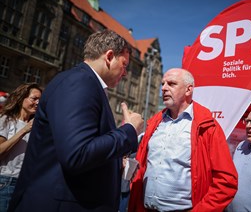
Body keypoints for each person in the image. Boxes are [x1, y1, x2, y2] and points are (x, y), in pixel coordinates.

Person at [8, 30, 144, 212]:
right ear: (109, 56)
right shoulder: (79, 83)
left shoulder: (86, 84)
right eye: (124, 64)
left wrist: (115, 163)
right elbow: (77, 154)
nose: (125, 73)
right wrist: (129, 130)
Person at [128, 68, 238, 212]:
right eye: (163, 84)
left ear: (188, 90)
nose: (164, 88)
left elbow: (226, 181)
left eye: (171, 84)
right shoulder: (154, 124)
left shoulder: (207, 127)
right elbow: (140, 169)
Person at [0, 83, 42, 212]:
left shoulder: (38, 126)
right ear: (21, 98)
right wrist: (24, 130)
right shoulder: (6, 120)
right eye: (34, 98)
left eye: (40, 100)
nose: (37, 103)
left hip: (27, 184)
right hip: (5, 181)